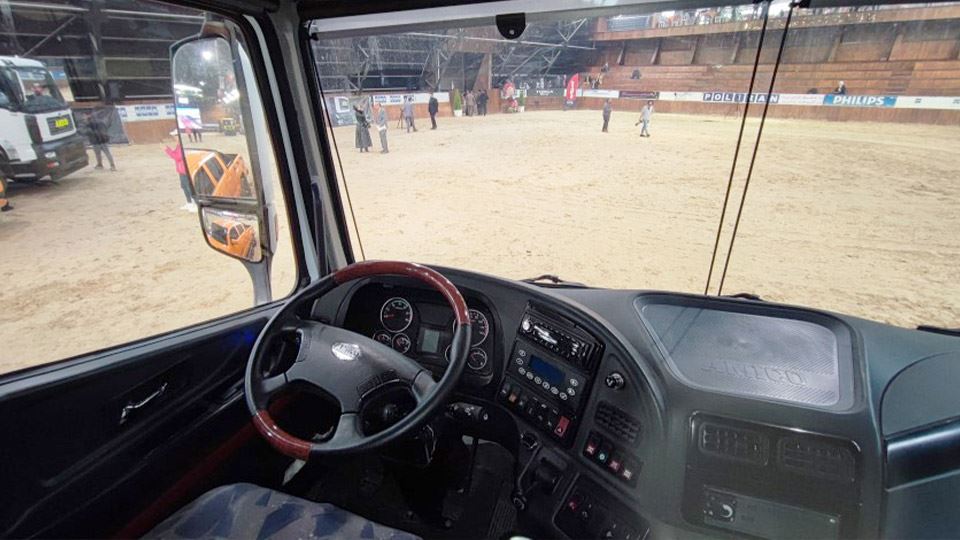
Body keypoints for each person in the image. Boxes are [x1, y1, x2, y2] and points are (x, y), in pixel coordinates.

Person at [165, 143, 195, 211]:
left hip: (185, 171)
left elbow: (178, 157)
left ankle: (195, 204)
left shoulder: (182, 145)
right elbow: (175, 154)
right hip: (181, 171)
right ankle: (189, 203)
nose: (174, 139)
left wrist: (167, 149)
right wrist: (168, 148)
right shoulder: (178, 145)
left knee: (188, 188)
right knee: (184, 187)